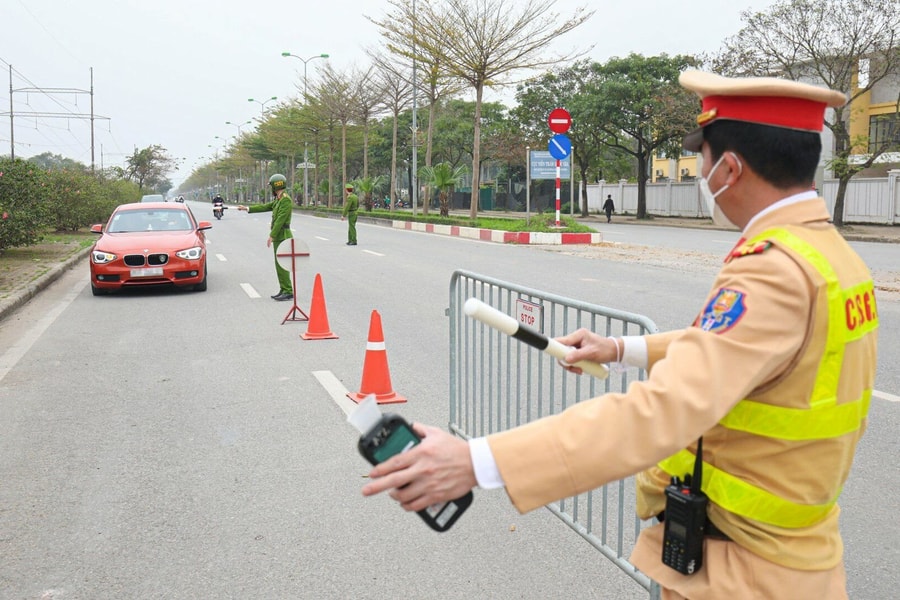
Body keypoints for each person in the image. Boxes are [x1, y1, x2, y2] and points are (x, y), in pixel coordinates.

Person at [361, 70, 877, 600]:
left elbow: (657, 413)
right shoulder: (831, 257)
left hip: (746, 575)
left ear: (729, 168)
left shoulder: (772, 270)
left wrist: (475, 461)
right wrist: (621, 348)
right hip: (793, 560)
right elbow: (745, 350)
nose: (702, 175)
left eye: (702, 160)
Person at [236, 174, 294, 301]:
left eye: (271, 186)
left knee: (282, 264)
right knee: (278, 264)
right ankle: (283, 288)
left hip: (283, 235)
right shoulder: (278, 199)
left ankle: (288, 290)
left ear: (276, 185)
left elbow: (280, 220)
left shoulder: (285, 200)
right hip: (279, 236)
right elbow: (265, 207)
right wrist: (247, 208)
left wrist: (272, 235)